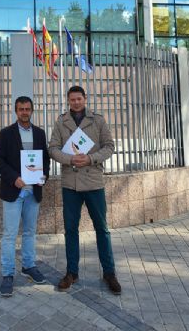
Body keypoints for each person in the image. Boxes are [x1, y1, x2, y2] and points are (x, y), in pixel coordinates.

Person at [48, 85, 121, 295]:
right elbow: (52, 148)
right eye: (72, 100)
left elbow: (109, 146)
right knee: (70, 229)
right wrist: (70, 158)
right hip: (70, 183)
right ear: (68, 101)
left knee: (102, 228)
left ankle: (109, 272)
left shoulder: (97, 120)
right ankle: (72, 272)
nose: (76, 103)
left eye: (79, 99)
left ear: (85, 99)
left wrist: (91, 158)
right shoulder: (61, 122)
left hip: (93, 182)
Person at [0, 96, 50, 297]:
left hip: (33, 192)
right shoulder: (7, 133)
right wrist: (13, 178)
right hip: (14, 191)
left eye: (27, 109)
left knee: (30, 232)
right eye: (21, 109)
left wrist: (44, 176)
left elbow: (45, 160)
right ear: (16, 111)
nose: (24, 112)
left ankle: (28, 266)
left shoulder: (40, 134)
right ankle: (8, 274)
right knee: (9, 235)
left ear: (32, 111)